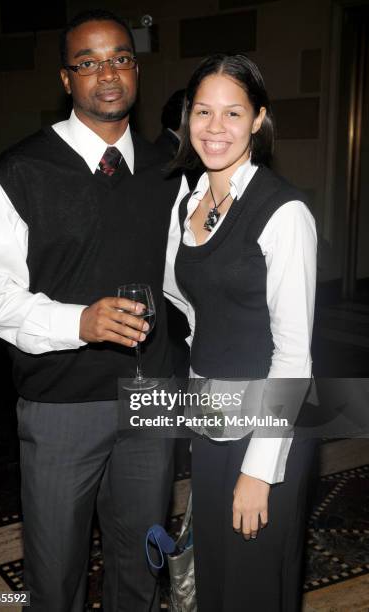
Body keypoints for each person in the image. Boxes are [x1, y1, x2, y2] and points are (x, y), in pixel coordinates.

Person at [0, 9, 183, 612]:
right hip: (61, 402)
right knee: (55, 572)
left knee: (140, 561)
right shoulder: (20, 170)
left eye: (119, 59)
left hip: (152, 397)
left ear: (135, 69)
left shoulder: (168, 168)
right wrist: (77, 322)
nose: (107, 74)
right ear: (66, 80)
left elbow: (178, 278)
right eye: (88, 63)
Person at [164, 54, 317, 611]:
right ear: (188, 117)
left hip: (268, 431)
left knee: (254, 588)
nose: (214, 127)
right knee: (215, 581)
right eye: (203, 111)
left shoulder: (285, 213)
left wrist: (259, 469)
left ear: (258, 120)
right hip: (211, 419)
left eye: (233, 113)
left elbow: (295, 353)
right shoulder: (187, 200)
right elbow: (186, 296)